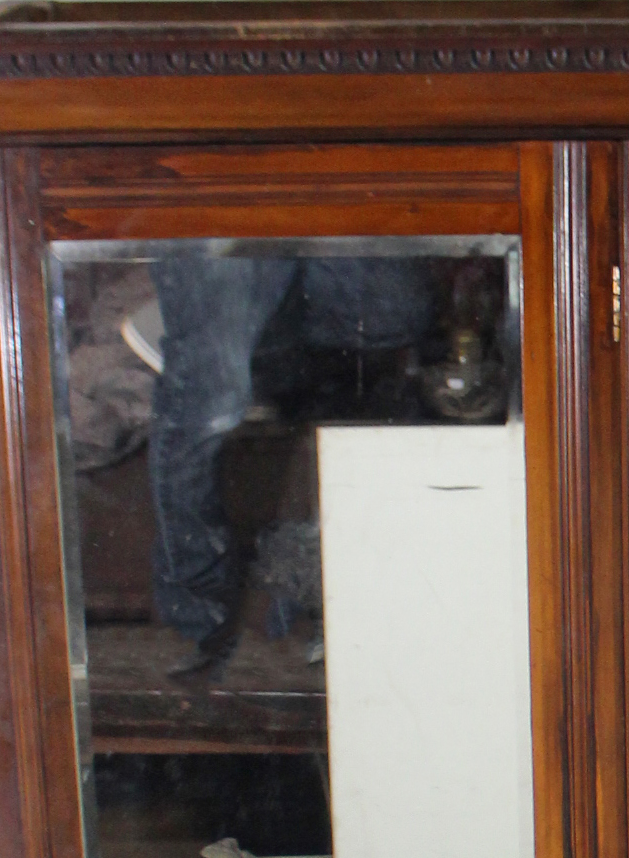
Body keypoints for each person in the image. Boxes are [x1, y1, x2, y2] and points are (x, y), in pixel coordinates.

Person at [148, 251, 437, 671]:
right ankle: (193, 628)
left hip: (338, 191)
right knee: (213, 396)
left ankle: (323, 601)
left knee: (382, 330)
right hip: (218, 195)